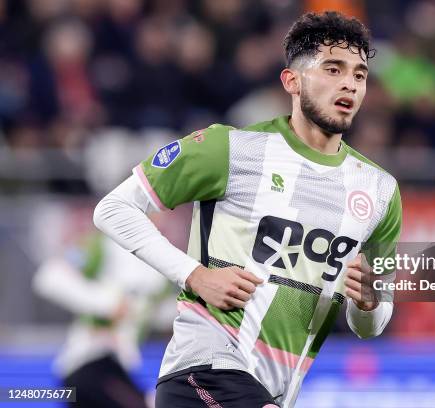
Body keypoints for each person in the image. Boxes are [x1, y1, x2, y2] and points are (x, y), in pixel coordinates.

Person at [93, 11, 402, 408]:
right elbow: (113, 208)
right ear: (292, 81)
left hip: (275, 390)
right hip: (203, 370)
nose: (349, 83)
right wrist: (195, 275)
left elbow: (372, 325)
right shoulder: (230, 149)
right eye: (333, 68)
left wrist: (368, 302)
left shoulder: (380, 191)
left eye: (359, 75)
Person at [32, 227, 173, 408]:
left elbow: (160, 313)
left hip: (120, 365)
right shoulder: (102, 245)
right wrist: (108, 303)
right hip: (90, 362)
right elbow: (50, 276)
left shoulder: (162, 259)